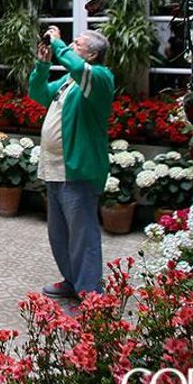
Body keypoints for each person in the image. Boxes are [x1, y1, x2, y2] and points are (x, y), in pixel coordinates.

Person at [28, 26, 114, 300]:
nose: (70, 47)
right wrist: (42, 65)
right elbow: (38, 93)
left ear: (92, 53)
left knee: (83, 236)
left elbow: (78, 67)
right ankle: (72, 281)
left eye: (77, 43)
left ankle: (90, 294)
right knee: (60, 234)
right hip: (55, 169)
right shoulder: (69, 80)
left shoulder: (100, 77)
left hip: (79, 172)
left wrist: (58, 43)